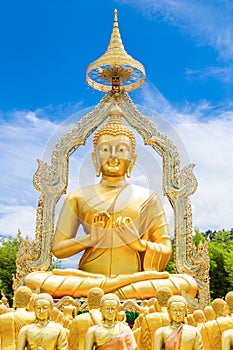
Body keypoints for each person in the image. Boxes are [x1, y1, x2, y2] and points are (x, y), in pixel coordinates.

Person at [24, 108, 197, 299]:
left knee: (186, 283)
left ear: (132, 160)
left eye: (121, 150)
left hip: (134, 279)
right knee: (33, 281)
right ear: (94, 158)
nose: (113, 156)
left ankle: (106, 291)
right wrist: (91, 239)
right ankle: (111, 289)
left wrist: (138, 244)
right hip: (90, 279)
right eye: (105, 149)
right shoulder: (78, 197)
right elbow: (58, 249)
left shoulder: (148, 198)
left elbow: (165, 250)